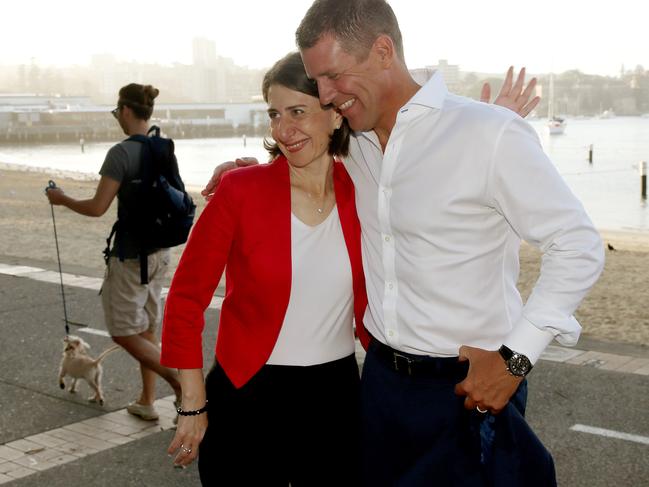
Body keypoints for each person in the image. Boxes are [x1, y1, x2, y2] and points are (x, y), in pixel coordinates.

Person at [205, 0, 605, 485]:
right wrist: (245, 169)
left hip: (468, 384)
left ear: (382, 50)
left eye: (332, 77)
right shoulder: (356, 142)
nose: (325, 95)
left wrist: (515, 360)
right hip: (380, 384)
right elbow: (307, 163)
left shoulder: (487, 134)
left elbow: (578, 244)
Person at [160, 52, 368, 486]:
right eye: (274, 114)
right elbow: (185, 299)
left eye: (297, 112)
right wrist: (193, 403)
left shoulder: (366, 191)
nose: (282, 130)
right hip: (247, 396)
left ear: (335, 114)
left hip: (337, 398)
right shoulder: (241, 191)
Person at [45, 83, 182, 421]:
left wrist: (61, 199)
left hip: (132, 257)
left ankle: (181, 381)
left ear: (124, 110)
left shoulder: (121, 153)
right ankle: (147, 401)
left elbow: (97, 207)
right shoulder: (162, 148)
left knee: (123, 332)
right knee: (147, 328)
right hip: (160, 253)